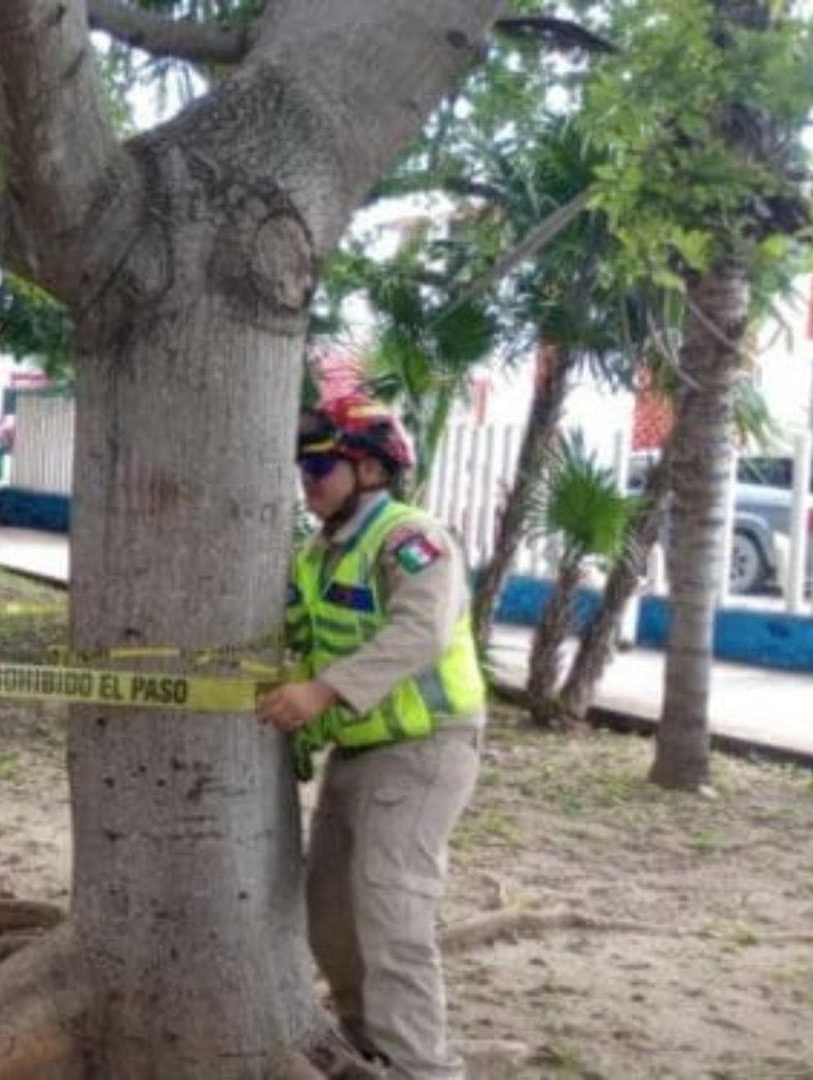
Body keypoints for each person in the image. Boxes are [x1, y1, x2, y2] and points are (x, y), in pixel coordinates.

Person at [255, 394, 485, 1080]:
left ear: (369, 469)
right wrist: (302, 712)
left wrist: (322, 693)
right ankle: (367, 1045)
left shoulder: (412, 540)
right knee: (328, 917)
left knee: (392, 912)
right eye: (301, 465)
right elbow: (305, 642)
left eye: (321, 464)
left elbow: (420, 633)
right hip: (358, 750)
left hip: (426, 750)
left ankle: (424, 1068)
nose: (307, 478)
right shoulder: (318, 553)